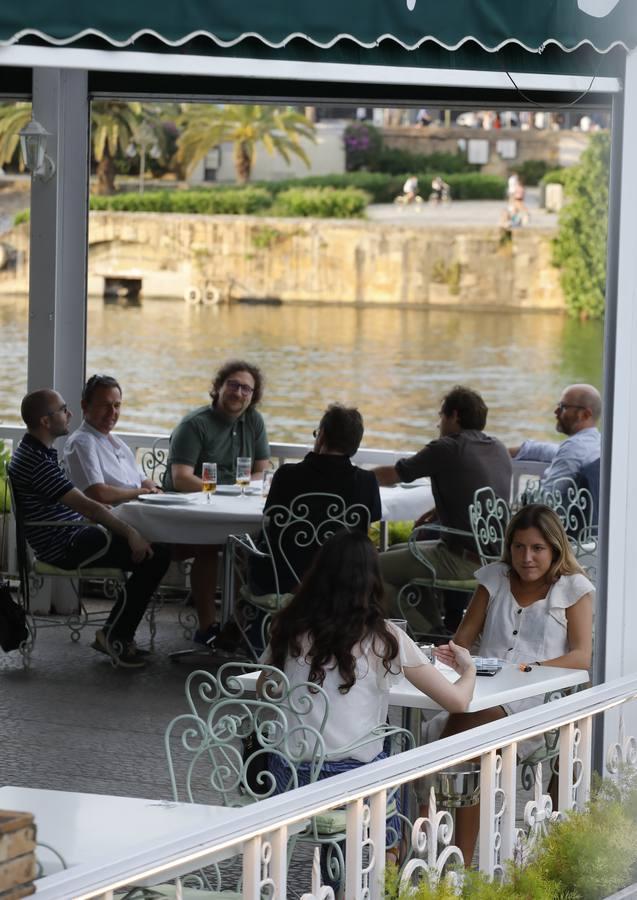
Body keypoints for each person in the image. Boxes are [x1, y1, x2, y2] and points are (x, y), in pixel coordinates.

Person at [261, 530, 476, 874]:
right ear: (371, 581)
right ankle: (390, 859)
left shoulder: (288, 627)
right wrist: (469, 668)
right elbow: (457, 701)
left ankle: (351, 869)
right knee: (400, 754)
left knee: (378, 750)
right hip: (352, 785)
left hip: (285, 777)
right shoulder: (382, 636)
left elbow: (266, 691)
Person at [432, 504, 593, 864]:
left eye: (537, 548)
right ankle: (451, 856)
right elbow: (462, 640)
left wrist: (526, 668)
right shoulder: (495, 578)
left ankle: (448, 848)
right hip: (484, 692)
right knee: (466, 736)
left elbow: (581, 657)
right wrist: (451, 657)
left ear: (554, 549)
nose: (527, 557)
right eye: (519, 547)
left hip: (537, 701)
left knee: (456, 742)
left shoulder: (574, 588)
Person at [8, 389, 171, 668]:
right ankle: (115, 636)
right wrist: (130, 533)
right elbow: (88, 506)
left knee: (152, 549)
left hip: (68, 532)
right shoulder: (36, 461)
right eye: (63, 409)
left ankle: (115, 633)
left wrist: (108, 519)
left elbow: (84, 506)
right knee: (156, 555)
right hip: (63, 545)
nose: (69, 414)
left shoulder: (36, 451)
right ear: (46, 422)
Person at [374, 386, 512, 633]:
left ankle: (426, 635)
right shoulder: (497, 447)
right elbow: (475, 489)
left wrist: (353, 478)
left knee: (369, 569)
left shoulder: (448, 447)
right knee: (396, 551)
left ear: (455, 415)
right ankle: (435, 628)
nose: (439, 424)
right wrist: (438, 511)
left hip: (461, 558)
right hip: (495, 554)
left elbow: (396, 474)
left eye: (441, 416)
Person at [164, 360, 270, 645]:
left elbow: (261, 468)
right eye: (233, 385)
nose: (239, 393)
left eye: (246, 388)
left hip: (233, 506)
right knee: (209, 546)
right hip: (188, 510)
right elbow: (181, 479)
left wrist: (244, 491)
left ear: (253, 395)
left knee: (249, 548)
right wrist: (225, 491)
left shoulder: (254, 421)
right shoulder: (195, 424)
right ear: (219, 388)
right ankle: (207, 626)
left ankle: (236, 624)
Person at [249, 404, 382, 596]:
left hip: (285, 582)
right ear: (355, 444)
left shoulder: (287, 475)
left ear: (322, 435)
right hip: (343, 586)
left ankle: (246, 622)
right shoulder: (367, 482)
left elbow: (272, 519)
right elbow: (365, 530)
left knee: (244, 549)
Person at [63, 374, 162, 504]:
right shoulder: (82, 442)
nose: (112, 412)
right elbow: (98, 494)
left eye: (117, 405)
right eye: (105, 405)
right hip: (112, 519)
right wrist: (141, 493)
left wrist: (156, 489)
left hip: (138, 510)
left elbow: (142, 479)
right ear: (85, 406)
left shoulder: (117, 442)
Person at [510, 384, 601, 491]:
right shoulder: (596, 442)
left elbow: (547, 499)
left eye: (563, 407)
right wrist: (498, 450)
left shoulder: (574, 447)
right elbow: (545, 450)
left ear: (585, 414)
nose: (556, 411)